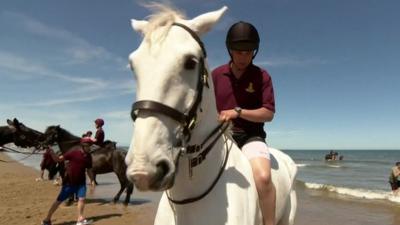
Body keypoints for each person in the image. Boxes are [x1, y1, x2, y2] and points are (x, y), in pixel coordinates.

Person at [212, 21, 276, 225]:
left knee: (264, 178)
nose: (243, 57)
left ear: (254, 52)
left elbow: (268, 113)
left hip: (251, 137)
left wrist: (238, 112)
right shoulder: (215, 75)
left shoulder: (262, 76)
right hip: (219, 136)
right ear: (230, 50)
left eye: (248, 52)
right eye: (238, 52)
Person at [41, 137, 93, 225]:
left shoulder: (89, 157)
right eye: (88, 146)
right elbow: (58, 159)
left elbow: (89, 169)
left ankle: (80, 219)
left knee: (82, 199)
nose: (90, 148)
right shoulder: (73, 153)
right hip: (69, 182)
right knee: (59, 201)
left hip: (81, 183)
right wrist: (52, 153)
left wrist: (92, 180)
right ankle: (47, 219)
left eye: (90, 146)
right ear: (83, 146)